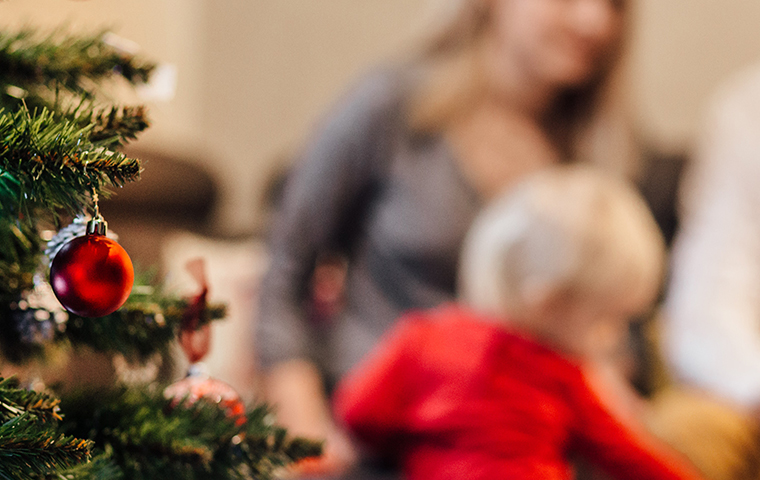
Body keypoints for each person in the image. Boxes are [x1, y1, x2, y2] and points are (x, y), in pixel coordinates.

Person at [255, 0, 635, 475]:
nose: (594, 21)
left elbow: (611, 329)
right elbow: (287, 267)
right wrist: (305, 427)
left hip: (517, 447)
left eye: (616, 5)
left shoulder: (596, 154)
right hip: (376, 438)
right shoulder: (391, 105)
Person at [333, 166, 705, 480]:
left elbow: (358, 412)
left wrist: (411, 442)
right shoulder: (563, 374)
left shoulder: (422, 336)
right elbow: (627, 455)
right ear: (549, 304)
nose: (616, 338)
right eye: (607, 320)